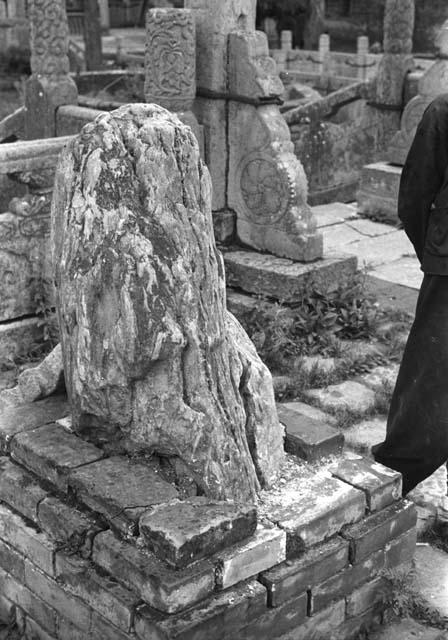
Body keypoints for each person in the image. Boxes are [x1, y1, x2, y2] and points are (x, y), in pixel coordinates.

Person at [372, 93, 448, 496]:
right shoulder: (442, 113)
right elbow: (415, 198)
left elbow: (414, 203)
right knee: (432, 381)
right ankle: (390, 481)